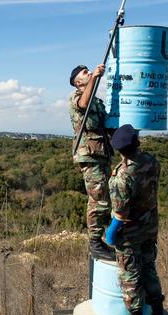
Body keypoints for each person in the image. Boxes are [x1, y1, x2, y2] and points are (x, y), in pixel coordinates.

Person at [105, 124, 166, 315]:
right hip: (149, 228)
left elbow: (120, 214)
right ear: (137, 143)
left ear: (118, 149)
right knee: (149, 268)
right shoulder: (151, 162)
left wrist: (110, 234)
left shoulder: (122, 177)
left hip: (130, 235)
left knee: (130, 274)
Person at [69, 64, 116, 261]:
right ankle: (95, 243)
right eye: (85, 73)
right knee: (98, 200)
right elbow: (82, 104)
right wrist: (95, 77)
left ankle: (105, 237)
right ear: (78, 82)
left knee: (107, 198)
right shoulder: (77, 98)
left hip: (101, 154)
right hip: (89, 155)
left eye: (89, 71)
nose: (89, 73)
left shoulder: (97, 101)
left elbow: (108, 126)